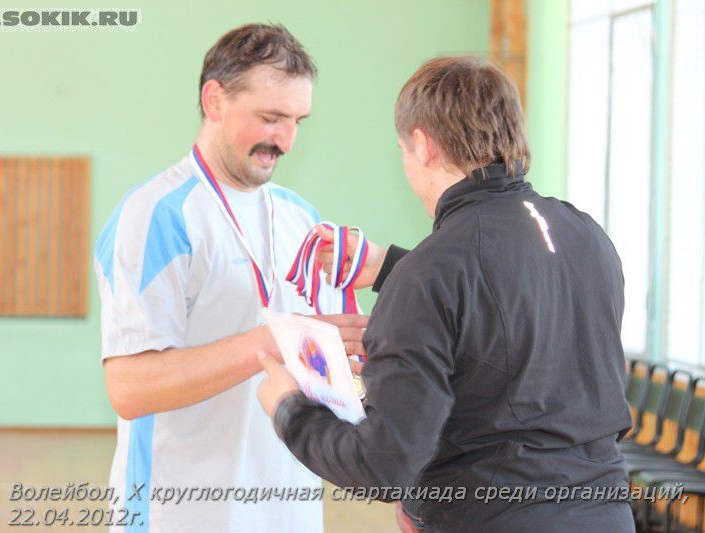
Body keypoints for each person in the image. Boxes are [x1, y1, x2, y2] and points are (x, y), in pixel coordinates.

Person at [257, 56, 635, 532]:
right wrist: (389, 266)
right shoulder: (587, 235)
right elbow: (509, 322)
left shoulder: (431, 272)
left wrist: (289, 409)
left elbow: (382, 464)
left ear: (422, 144)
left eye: (402, 148)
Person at [93, 23, 366, 533]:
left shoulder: (303, 220)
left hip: (289, 514)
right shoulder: (156, 217)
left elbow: (333, 364)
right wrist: (272, 342)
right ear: (214, 100)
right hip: (180, 515)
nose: (285, 140)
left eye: (297, 121)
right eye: (270, 118)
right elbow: (129, 388)